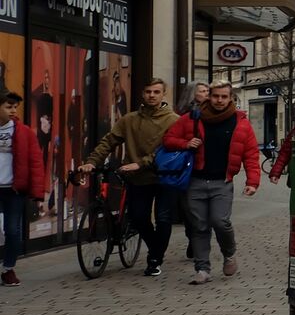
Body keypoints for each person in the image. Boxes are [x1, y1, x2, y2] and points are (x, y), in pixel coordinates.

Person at [76, 78, 179, 276]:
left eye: (156, 92)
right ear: (142, 94)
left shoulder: (173, 120)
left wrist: (141, 163)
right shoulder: (129, 119)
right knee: (138, 217)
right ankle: (156, 249)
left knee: (163, 218)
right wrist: (92, 162)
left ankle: (155, 259)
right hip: (138, 178)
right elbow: (109, 141)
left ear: (163, 94)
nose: (152, 95)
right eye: (148, 91)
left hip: (164, 177)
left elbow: (169, 150)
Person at [162, 82, 260, 284]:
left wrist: (253, 181)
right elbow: (168, 139)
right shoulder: (192, 118)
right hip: (195, 181)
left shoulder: (240, 122)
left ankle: (229, 253)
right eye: (216, 96)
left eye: (224, 97)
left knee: (220, 222)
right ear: (209, 97)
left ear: (231, 98)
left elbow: (250, 154)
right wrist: (186, 143)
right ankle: (202, 269)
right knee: (199, 226)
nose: (219, 100)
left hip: (222, 182)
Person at [0, 91, 49, 286]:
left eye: (15, 107)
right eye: (8, 107)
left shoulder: (24, 132)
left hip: (14, 189)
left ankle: (8, 269)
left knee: (13, 231)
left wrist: (37, 193)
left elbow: (35, 162)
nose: (13, 110)